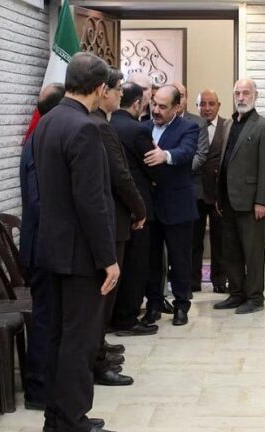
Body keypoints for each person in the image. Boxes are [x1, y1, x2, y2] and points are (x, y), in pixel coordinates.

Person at [32, 52, 120, 432]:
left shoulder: (48, 121)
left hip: (50, 247)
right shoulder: (85, 128)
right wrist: (108, 259)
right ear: (100, 88)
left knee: (57, 336)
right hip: (79, 254)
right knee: (80, 340)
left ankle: (56, 415)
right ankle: (73, 423)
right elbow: (91, 201)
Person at [90, 67, 146, 386]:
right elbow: (120, 176)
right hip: (112, 221)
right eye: (118, 89)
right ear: (104, 91)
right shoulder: (100, 127)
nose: (122, 94)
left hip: (109, 220)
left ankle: (99, 349)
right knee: (104, 297)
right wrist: (139, 208)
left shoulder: (99, 123)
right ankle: (98, 362)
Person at [19, 82, 65, 411]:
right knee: (45, 319)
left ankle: (47, 383)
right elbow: (38, 202)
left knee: (50, 318)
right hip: (41, 246)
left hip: (45, 242)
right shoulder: (39, 142)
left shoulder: (41, 138)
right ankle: (37, 390)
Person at [213, 78, 265, 314]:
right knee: (230, 252)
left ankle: (255, 298)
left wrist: (262, 200)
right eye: (237, 93)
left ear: (255, 95)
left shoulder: (264, 126)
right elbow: (224, 162)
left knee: (253, 253)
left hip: (251, 202)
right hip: (227, 200)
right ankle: (237, 293)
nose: (241, 97)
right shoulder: (229, 123)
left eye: (246, 93)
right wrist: (219, 196)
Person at [142, 84, 199, 326]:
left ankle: (181, 305)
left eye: (163, 107)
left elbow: (186, 152)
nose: (156, 110)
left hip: (177, 205)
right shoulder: (143, 126)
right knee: (151, 259)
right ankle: (154, 305)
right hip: (150, 206)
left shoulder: (188, 127)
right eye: (154, 104)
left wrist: (165, 155)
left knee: (180, 259)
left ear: (177, 107)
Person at [110, 83, 161, 336]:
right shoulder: (138, 130)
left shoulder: (106, 124)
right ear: (138, 103)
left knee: (119, 262)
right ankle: (128, 318)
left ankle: (113, 314)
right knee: (136, 265)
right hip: (138, 206)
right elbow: (154, 168)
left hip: (114, 207)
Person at [194, 89, 227, 294]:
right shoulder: (190, 125)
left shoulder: (228, 126)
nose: (207, 108)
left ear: (218, 105)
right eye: (202, 104)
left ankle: (219, 280)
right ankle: (193, 281)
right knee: (193, 240)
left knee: (220, 240)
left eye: (211, 104)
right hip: (196, 191)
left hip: (218, 193)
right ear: (197, 106)